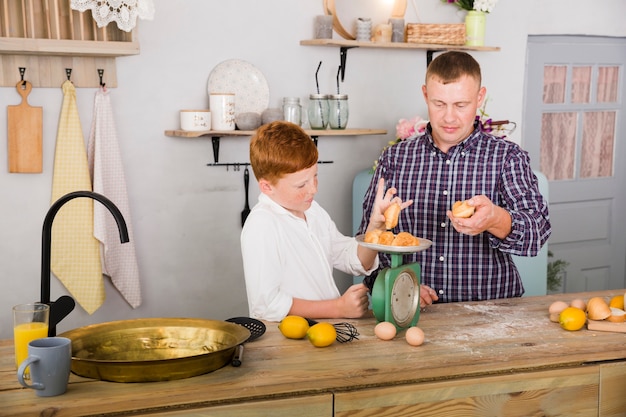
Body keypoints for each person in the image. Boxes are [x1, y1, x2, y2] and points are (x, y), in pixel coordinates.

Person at [358, 51, 551, 308]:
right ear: (425, 95)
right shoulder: (395, 158)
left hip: (494, 311)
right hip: (412, 309)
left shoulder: (507, 158)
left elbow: (536, 232)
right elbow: (369, 241)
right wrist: (395, 283)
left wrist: (495, 218)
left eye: (461, 105)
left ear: (480, 97)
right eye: (439, 104)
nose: (449, 117)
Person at [241, 121, 411, 321]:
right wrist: (338, 308)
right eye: (301, 184)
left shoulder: (312, 211)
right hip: (288, 343)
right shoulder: (262, 225)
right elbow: (266, 305)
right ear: (267, 187)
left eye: (315, 176)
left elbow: (353, 260)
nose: (313, 189)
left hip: (324, 333)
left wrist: (376, 228)